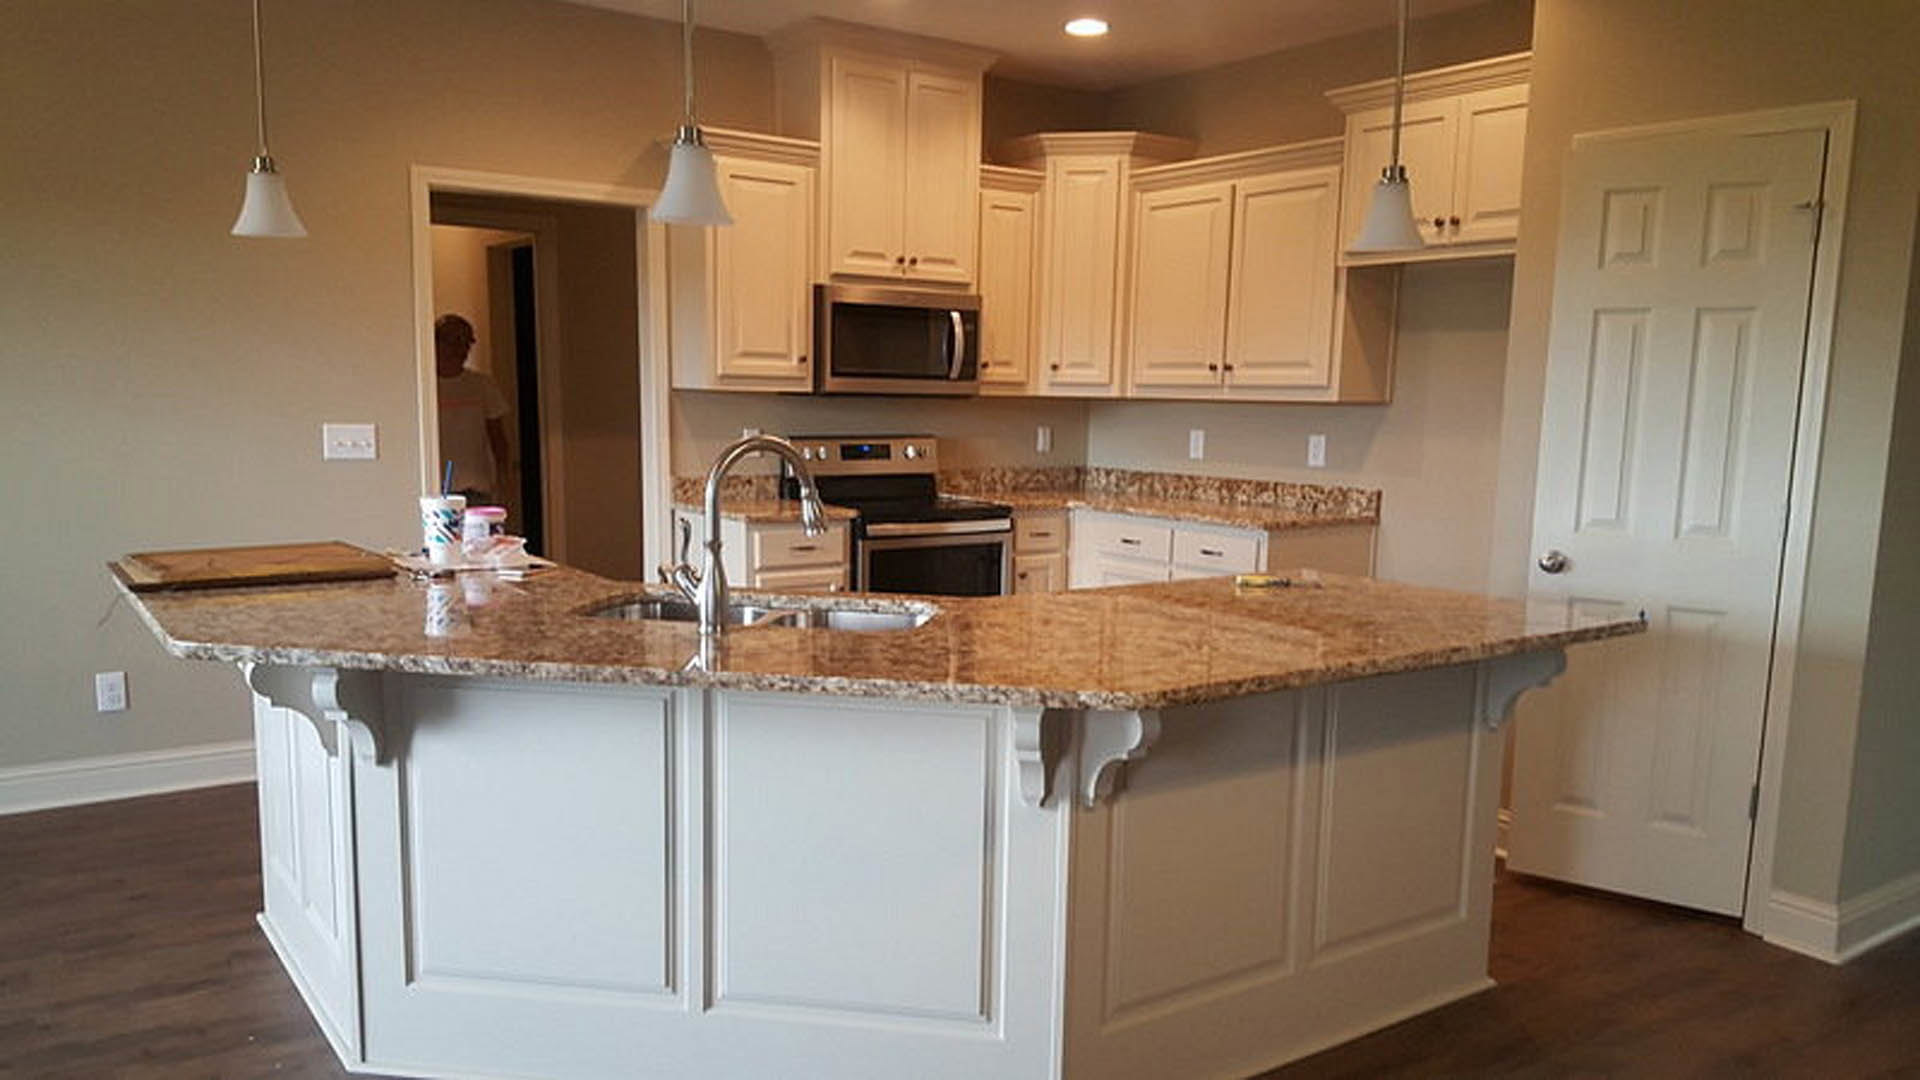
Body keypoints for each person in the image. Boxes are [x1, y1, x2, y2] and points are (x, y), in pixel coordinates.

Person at [434, 314, 511, 506]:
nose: (457, 349)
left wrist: (504, 476)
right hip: (434, 489)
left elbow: (497, 436)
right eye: (450, 341)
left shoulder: (482, 385)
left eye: (464, 342)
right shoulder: (423, 387)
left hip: (475, 490)